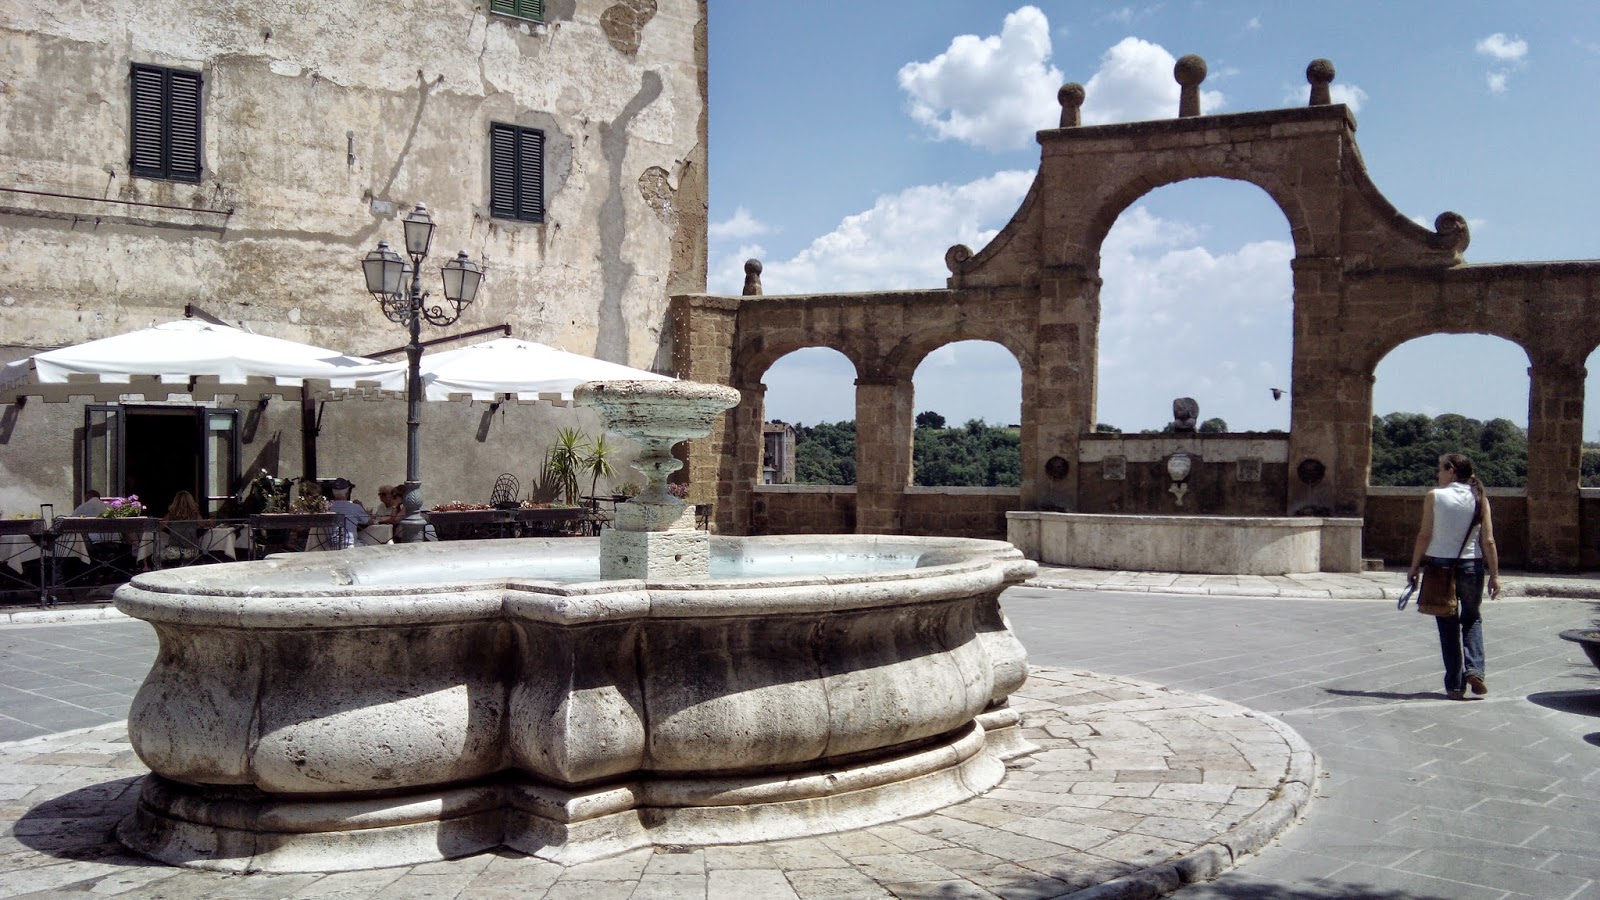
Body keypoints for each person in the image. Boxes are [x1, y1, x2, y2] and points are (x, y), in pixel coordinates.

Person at [1407, 452, 1501, 701]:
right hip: (1472, 566)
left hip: (1439, 567)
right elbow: (1488, 541)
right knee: (1471, 619)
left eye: (1440, 469)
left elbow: (1424, 536)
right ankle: (1475, 670)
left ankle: (1455, 685)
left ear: (1451, 471)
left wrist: (1414, 567)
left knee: (1447, 626)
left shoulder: (1434, 497)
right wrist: (1495, 576)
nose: (1437, 474)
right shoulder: (1480, 498)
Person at [160, 490, 205, 564]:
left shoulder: (170, 515)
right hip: (191, 551)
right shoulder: (195, 515)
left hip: (174, 551)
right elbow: (203, 525)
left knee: (155, 557)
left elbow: (160, 527)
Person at [327, 478, 371, 550]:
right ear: (347, 493)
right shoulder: (355, 507)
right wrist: (361, 507)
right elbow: (369, 521)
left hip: (332, 546)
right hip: (350, 545)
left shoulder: (327, 508)